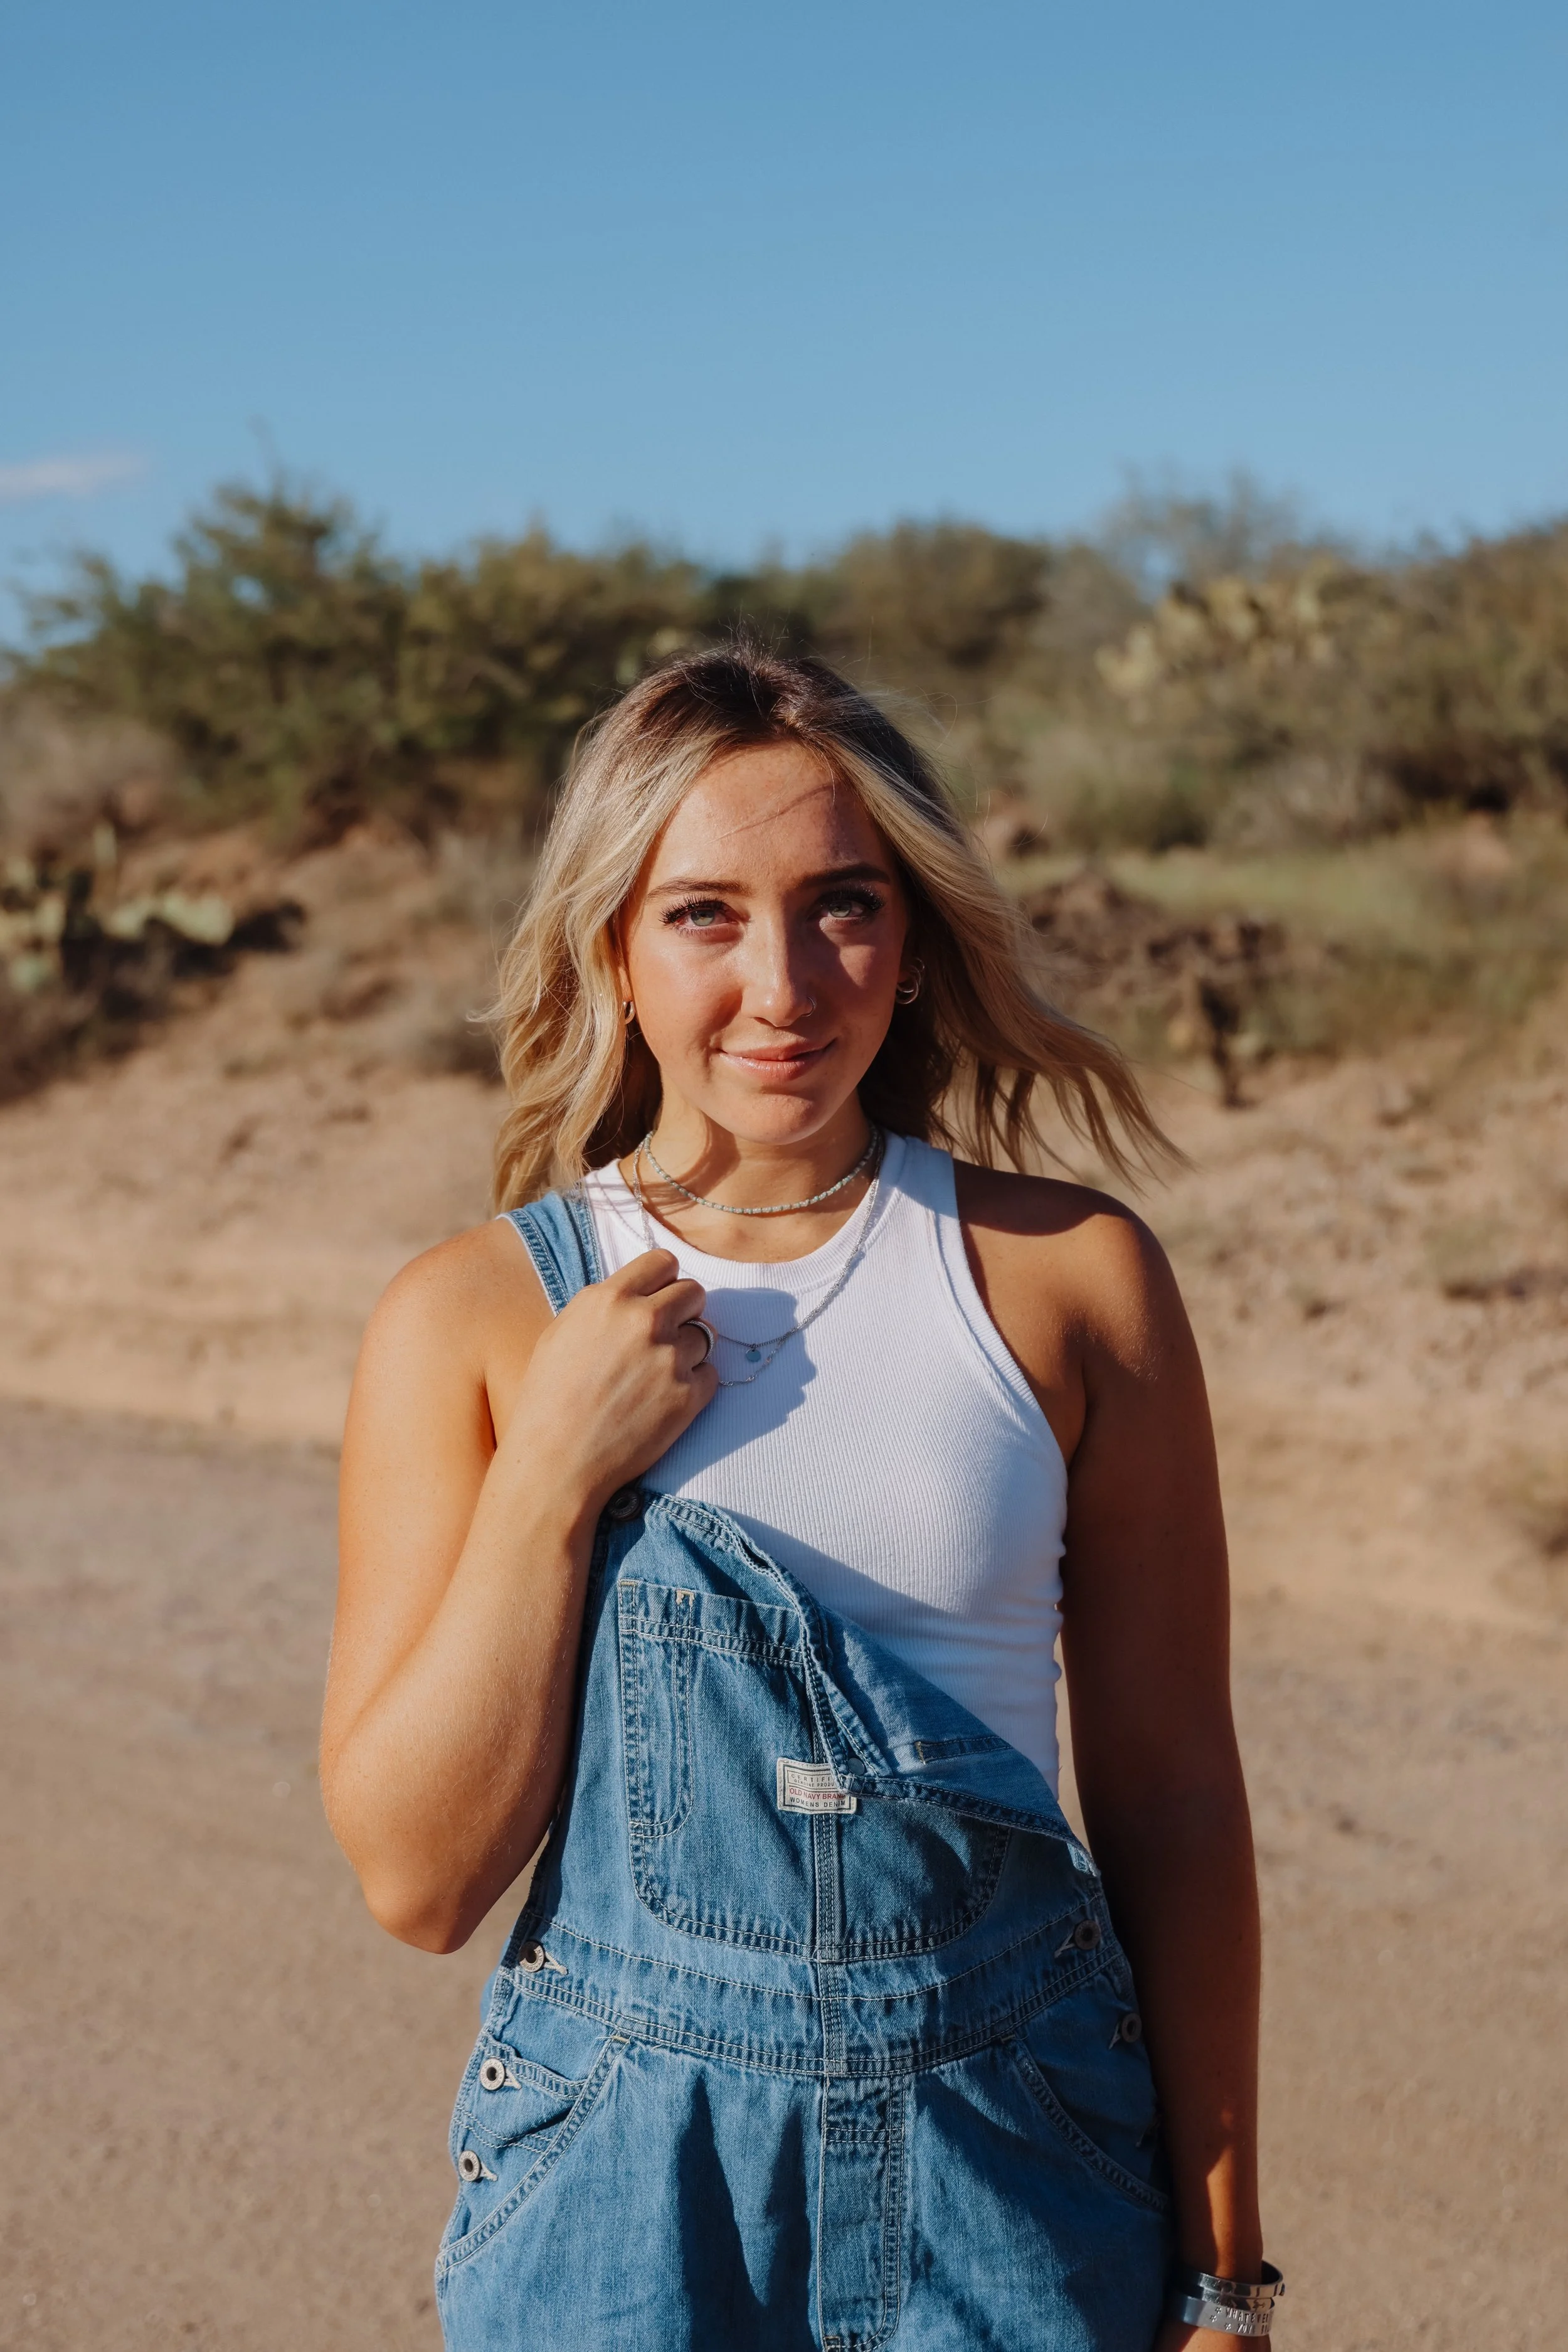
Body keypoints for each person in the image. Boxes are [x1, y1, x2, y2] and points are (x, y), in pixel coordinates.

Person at [321, 642, 1279, 2350]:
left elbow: (1177, 1801)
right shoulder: (473, 1317)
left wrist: (1223, 2279)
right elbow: (417, 1877)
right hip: (626, 2194)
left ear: (913, 939)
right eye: (703, 913)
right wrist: (550, 1475)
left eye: (842, 905)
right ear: (611, 945)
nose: (782, 985)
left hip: (1011, 2166)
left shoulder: (1068, 1279)